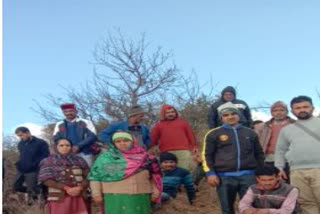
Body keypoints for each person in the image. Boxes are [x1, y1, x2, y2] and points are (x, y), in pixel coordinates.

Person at [202, 102, 265, 214]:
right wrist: (210, 173)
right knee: (227, 209)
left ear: (238, 115)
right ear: (221, 118)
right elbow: (207, 155)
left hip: (248, 176)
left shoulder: (250, 133)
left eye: (233, 113)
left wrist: (260, 173)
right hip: (224, 177)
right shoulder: (213, 134)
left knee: (250, 207)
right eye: (226, 115)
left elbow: (259, 154)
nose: (230, 117)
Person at [88, 131, 162, 214]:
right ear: (113, 143)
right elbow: (95, 177)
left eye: (126, 140)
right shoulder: (105, 159)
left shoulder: (146, 158)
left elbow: (155, 177)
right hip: (114, 197)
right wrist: (96, 193)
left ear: (133, 141)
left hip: (140, 197)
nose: (122, 143)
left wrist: (156, 192)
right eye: (118, 141)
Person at [275, 95, 320, 214]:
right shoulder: (287, 129)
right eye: (298, 108)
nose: (302, 110)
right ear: (292, 111)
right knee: (305, 202)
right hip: (296, 171)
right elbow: (280, 150)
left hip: (319, 168)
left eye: (305, 106)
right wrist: (279, 167)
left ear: (312, 108)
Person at [38, 138, 90, 214]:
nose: (65, 147)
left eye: (67, 145)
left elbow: (89, 176)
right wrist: (67, 188)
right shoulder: (47, 161)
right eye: (61, 145)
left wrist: (80, 187)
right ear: (56, 147)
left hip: (79, 195)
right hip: (58, 198)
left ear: (71, 147)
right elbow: (46, 180)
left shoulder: (80, 160)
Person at [255, 101, 295, 183]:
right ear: (272, 113)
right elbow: (256, 143)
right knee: (272, 183)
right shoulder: (262, 126)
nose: (278, 112)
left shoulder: (295, 124)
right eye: (275, 110)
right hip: (269, 159)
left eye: (281, 110)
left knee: (289, 183)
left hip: (290, 159)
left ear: (287, 112)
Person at [150, 104, 197, 170]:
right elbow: (153, 138)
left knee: (184, 170)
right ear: (163, 114)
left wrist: (194, 146)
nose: (171, 114)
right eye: (168, 113)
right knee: (168, 171)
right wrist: (151, 147)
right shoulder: (159, 125)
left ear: (175, 113)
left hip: (183, 151)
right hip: (166, 151)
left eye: (172, 112)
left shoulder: (183, 123)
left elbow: (190, 135)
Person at [13, 127, 49, 205]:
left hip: (33, 170)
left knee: (33, 190)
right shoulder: (20, 143)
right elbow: (21, 155)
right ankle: (38, 190)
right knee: (16, 186)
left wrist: (35, 164)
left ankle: (36, 205)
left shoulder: (41, 142)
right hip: (21, 169)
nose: (20, 137)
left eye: (21, 135)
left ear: (28, 132)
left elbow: (45, 156)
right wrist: (18, 163)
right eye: (19, 136)